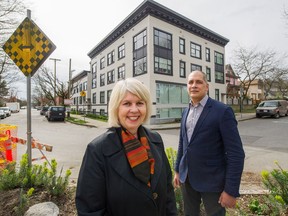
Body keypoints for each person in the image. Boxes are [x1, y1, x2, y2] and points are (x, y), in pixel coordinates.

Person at [76, 78, 177, 216]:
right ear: (116, 108)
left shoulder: (156, 140)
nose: (134, 110)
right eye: (127, 103)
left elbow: (168, 192)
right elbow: (89, 210)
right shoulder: (97, 150)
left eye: (140, 103)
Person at [173, 70, 245, 216]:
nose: (194, 85)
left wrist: (230, 190)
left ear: (207, 87)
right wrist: (178, 170)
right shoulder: (185, 111)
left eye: (199, 82)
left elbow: (236, 154)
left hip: (213, 182)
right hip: (187, 179)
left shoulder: (222, 111)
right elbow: (183, 143)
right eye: (190, 82)